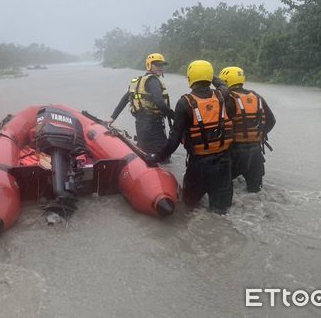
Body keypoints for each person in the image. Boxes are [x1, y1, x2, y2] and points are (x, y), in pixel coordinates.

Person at [154, 60, 233, 214]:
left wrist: (156, 156)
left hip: (198, 166)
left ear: (190, 78)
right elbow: (223, 84)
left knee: (189, 207)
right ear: (210, 78)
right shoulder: (222, 95)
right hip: (223, 164)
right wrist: (211, 77)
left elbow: (174, 141)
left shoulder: (184, 103)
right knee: (221, 212)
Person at [214, 66, 276, 192]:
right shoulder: (257, 96)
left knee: (223, 188)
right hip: (256, 153)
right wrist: (259, 135)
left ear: (225, 81)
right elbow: (271, 120)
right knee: (255, 193)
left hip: (234, 152)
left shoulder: (227, 98)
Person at [107, 53, 174, 155]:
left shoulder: (138, 82)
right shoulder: (153, 81)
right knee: (163, 158)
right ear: (149, 65)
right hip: (153, 126)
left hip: (140, 125)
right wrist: (176, 117)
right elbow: (160, 103)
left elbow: (124, 100)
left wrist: (112, 118)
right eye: (157, 65)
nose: (160, 67)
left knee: (145, 152)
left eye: (162, 65)